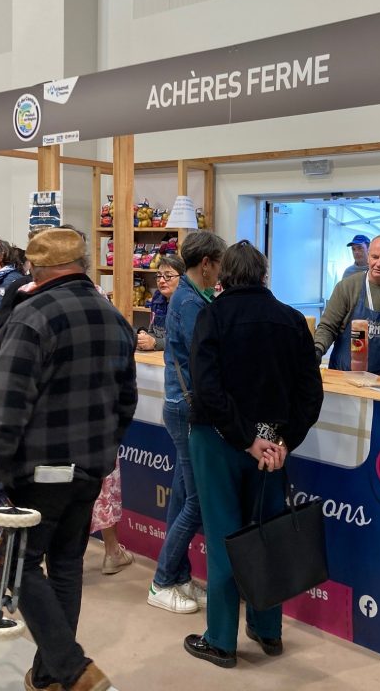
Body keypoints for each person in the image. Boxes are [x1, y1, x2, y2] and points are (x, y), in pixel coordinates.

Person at [0, 227, 136, 691]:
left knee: (15, 563)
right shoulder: (114, 317)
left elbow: (5, 412)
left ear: (35, 271)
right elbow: (126, 402)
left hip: (37, 470)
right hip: (90, 469)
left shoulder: (30, 317)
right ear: (82, 263)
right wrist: (98, 452)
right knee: (65, 565)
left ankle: (73, 668)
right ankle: (48, 676)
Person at [184, 240, 324, 668]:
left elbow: (207, 388)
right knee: (267, 534)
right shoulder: (292, 320)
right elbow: (309, 394)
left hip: (219, 440)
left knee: (226, 536)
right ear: (264, 275)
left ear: (224, 277)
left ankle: (222, 640)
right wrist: (284, 441)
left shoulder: (213, 316)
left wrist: (245, 437)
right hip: (274, 445)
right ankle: (268, 631)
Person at [148, 230, 227, 614]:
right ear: (207, 263)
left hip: (181, 404)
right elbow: (204, 359)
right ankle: (161, 580)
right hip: (187, 408)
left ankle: (178, 575)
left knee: (181, 496)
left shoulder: (194, 297)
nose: (220, 272)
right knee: (196, 502)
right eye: (219, 264)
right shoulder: (192, 302)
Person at [314, 234, 380, 377]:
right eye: (375, 257)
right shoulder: (347, 287)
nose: (379, 263)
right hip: (342, 376)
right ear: (368, 256)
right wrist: (317, 350)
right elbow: (328, 327)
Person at [136, 255, 185, 352]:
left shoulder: (187, 303)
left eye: (168, 276)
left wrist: (155, 343)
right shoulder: (158, 298)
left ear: (182, 278)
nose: (161, 281)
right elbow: (153, 332)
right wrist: (145, 337)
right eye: (159, 276)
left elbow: (184, 342)